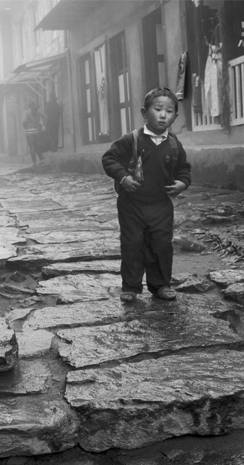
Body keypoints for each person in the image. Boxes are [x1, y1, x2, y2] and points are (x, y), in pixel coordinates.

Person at [101, 86, 191, 303]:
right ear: (144, 113)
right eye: (157, 109)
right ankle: (131, 286)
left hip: (160, 204)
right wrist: (123, 177)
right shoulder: (131, 139)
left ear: (175, 116)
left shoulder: (174, 144)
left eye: (169, 111)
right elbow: (109, 159)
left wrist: (182, 183)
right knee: (132, 244)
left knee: (161, 244)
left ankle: (161, 285)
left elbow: (183, 168)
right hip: (131, 204)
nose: (163, 115)